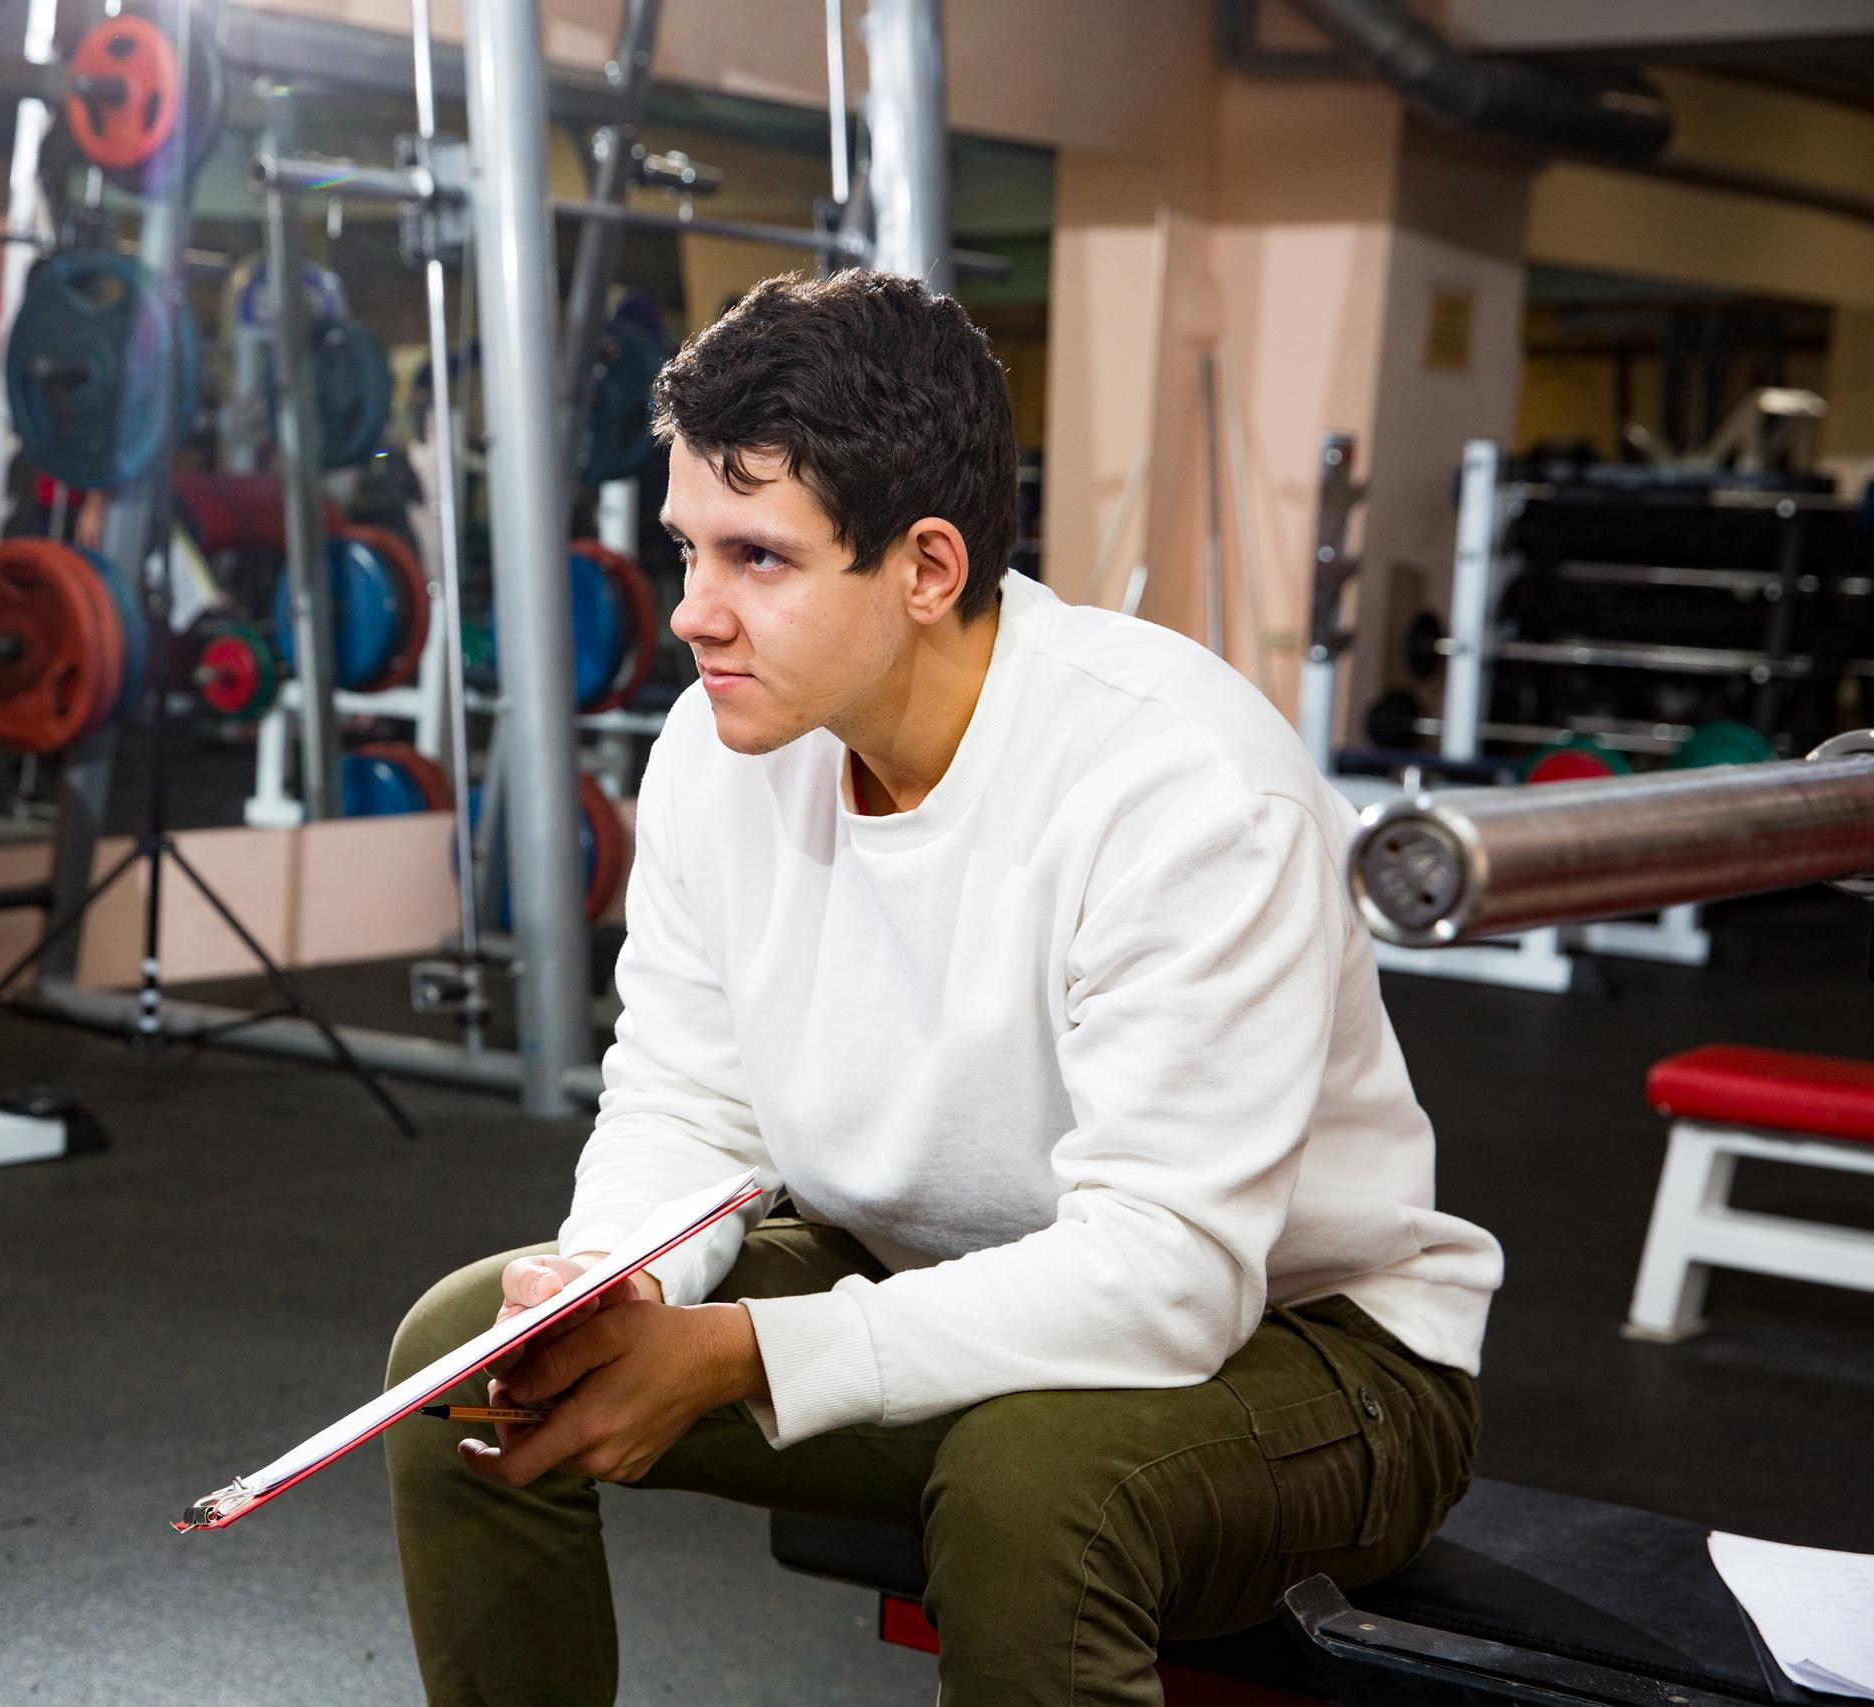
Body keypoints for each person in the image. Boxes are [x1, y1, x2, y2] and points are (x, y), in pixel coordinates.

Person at [383, 270, 1503, 1707]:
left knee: (1030, 1487)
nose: (694, 615)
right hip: (923, 1271)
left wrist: (737, 1351)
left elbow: (1167, 1279)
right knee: (470, 1369)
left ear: (925, 567)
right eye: (688, 551)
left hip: (1313, 1351)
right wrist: (615, 1279)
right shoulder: (718, 750)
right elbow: (689, 1100)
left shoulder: (1182, 787)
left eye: (758, 558)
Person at [0, 290, 108, 549]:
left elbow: (103, 406)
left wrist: (95, 504)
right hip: (10, 474)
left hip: (66, 483)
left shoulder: (75, 308)